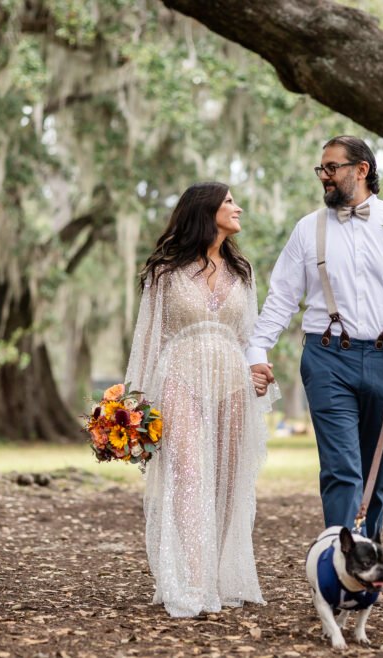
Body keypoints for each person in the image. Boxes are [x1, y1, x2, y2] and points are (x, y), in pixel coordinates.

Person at [246, 135, 383, 543]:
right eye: (322, 169)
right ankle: (338, 565)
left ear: (362, 170)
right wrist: (257, 348)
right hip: (327, 358)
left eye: (331, 168)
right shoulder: (308, 229)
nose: (324, 177)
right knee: (342, 469)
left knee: (376, 473)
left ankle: (364, 565)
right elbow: (282, 296)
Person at [125, 182, 278, 618]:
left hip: (231, 379)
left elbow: (250, 337)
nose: (238, 207)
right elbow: (147, 339)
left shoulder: (242, 271)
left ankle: (213, 574)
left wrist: (257, 372)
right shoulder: (165, 271)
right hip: (180, 376)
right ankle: (192, 582)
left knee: (229, 479)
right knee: (189, 476)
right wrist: (132, 405)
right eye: (230, 201)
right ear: (205, 210)